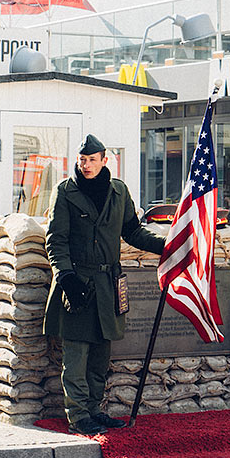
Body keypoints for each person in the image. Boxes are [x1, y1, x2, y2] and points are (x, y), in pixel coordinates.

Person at [43, 134, 166, 435]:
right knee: (76, 356)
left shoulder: (119, 192)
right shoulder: (65, 192)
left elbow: (133, 232)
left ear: (104, 160)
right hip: (78, 284)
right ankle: (78, 415)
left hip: (108, 284)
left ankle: (95, 411)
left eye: (91, 160)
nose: (85, 165)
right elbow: (55, 240)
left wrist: (166, 246)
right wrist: (66, 277)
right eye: (82, 160)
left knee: (100, 354)